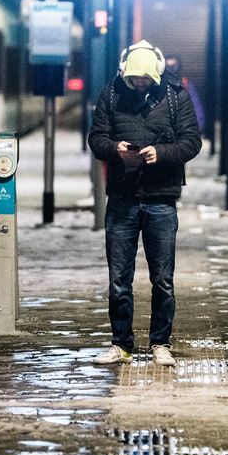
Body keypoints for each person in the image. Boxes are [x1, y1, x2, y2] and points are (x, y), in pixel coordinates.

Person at [87, 40, 203, 366]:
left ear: (156, 73)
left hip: (162, 199)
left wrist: (160, 153)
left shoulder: (175, 95)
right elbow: (96, 138)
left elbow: (192, 141)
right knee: (118, 278)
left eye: (144, 78)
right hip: (122, 197)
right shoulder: (111, 93)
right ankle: (121, 344)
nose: (139, 84)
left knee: (162, 279)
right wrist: (115, 149)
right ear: (126, 74)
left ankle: (160, 343)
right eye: (134, 78)